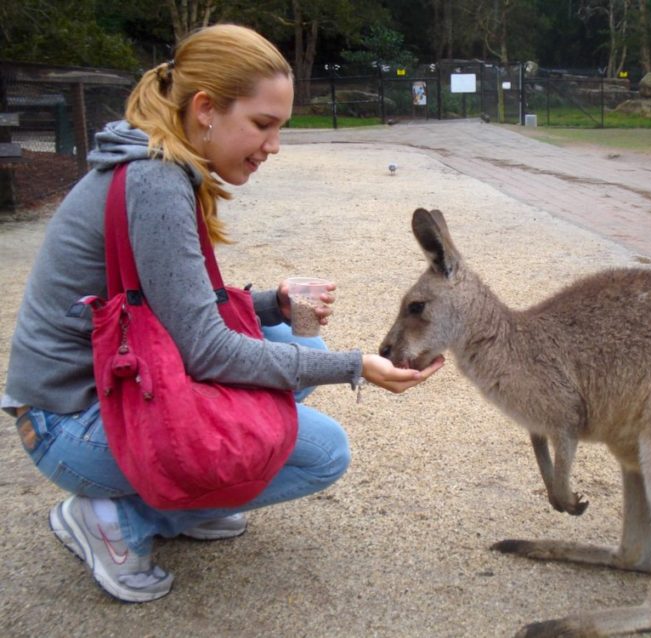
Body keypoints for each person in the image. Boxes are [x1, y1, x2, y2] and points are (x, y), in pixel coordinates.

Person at [2, 24, 443, 603]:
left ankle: (187, 498)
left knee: (296, 342)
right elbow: (207, 350)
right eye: (263, 124)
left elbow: (168, 301)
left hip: (110, 386)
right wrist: (355, 366)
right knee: (322, 453)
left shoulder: (156, 163)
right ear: (206, 109)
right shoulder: (156, 181)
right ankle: (121, 521)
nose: (274, 146)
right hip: (70, 421)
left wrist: (272, 304)